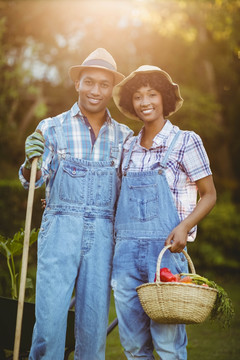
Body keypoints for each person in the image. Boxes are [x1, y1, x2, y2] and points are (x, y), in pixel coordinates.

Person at [19, 48, 133, 360]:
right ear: (77, 84)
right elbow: (35, 180)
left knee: (93, 328)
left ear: (112, 89)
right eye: (89, 82)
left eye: (104, 84)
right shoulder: (51, 127)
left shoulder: (126, 137)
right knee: (49, 325)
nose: (96, 90)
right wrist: (32, 161)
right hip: (60, 231)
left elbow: (129, 196)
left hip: (103, 237)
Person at [111, 65, 217, 359]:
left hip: (166, 252)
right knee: (133, 346)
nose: (144, 102)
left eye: (152, 94)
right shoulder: (128, 147)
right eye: (138, 96)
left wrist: (185, 226)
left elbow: (209, 195)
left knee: (168, 345)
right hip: (125, 256)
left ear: (165, 98)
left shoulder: (185, 141)